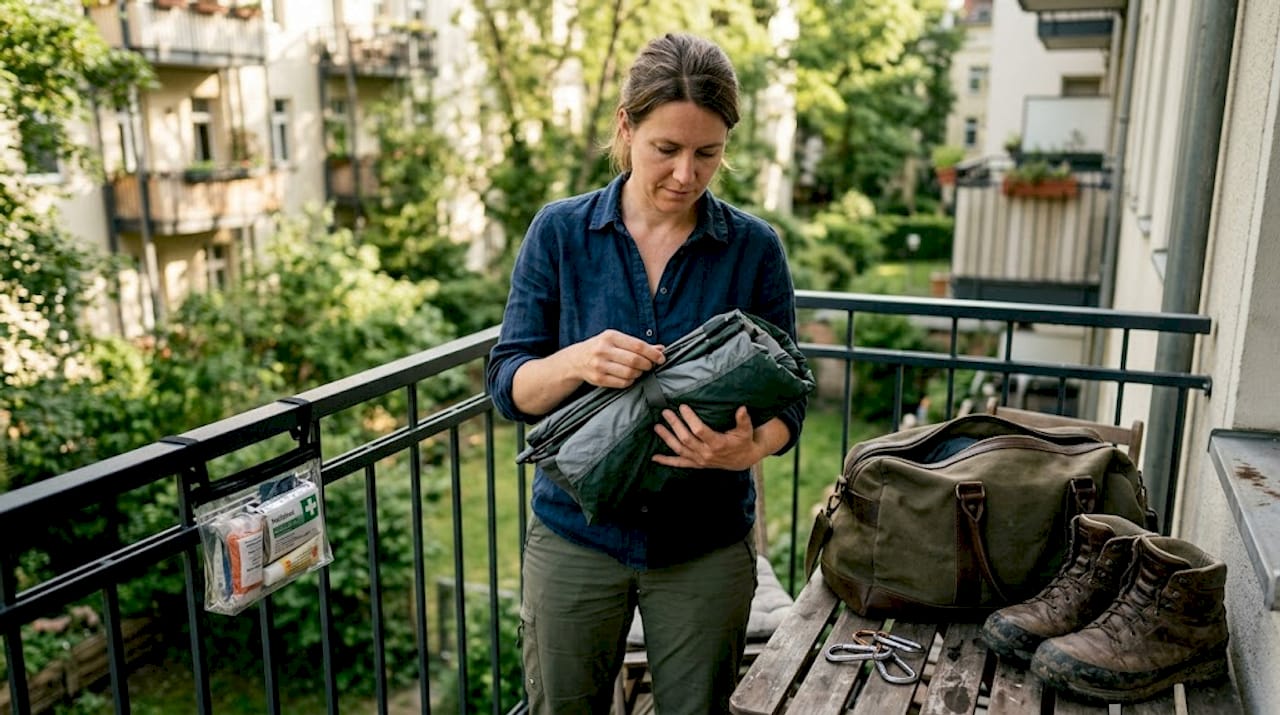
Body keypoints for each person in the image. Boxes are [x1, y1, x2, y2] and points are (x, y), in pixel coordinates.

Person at [486, 33, 806, 714]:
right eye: (666, 148)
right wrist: (577, 360)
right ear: (626, 129)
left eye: (707, 153)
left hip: (706, 545)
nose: (686, 174)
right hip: (575, 536)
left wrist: (752, 448)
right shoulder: (560, 233)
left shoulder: (754, 250)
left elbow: (792, 400)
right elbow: (507, 387)